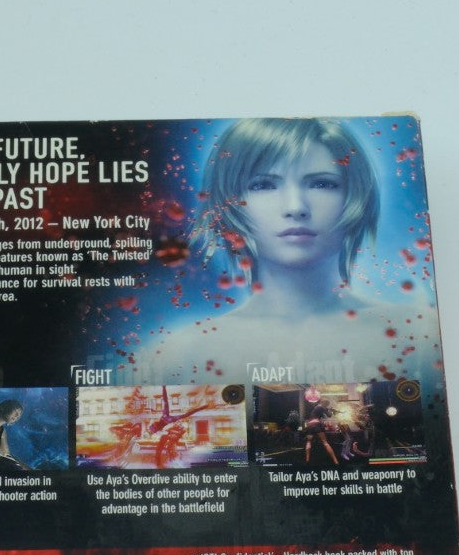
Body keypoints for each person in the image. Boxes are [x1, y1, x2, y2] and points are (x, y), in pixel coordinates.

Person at [137, 118, 438, 388]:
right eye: (263, 185)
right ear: (228, 202)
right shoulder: (179, 353)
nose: (296, 207)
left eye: (322, 183)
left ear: (355, 195)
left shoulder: (420, 335)